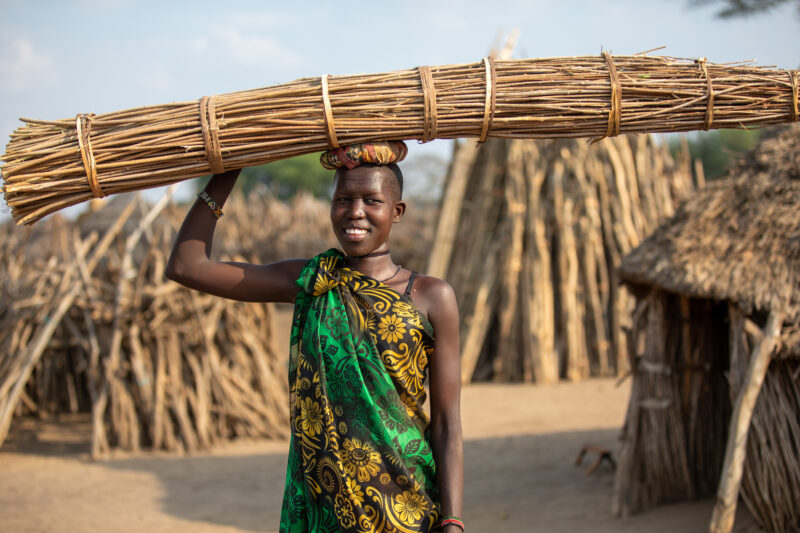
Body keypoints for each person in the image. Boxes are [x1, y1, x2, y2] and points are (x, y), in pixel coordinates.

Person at [165, 141, 464, 533]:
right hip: (326, 506)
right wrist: (230, 170)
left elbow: (446, 422)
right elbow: (188, 266)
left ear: (397, 211)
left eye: (371, 200)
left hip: (407, 506)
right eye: (343, 199)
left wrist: (453, 520)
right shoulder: (312, 281)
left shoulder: (430, 296)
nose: (355, 211)